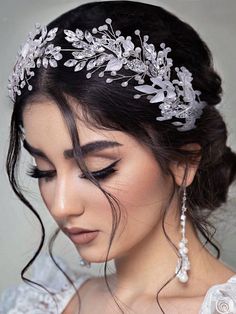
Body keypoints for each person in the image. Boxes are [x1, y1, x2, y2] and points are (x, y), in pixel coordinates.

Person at [1, 1, 236, 313]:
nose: (61, 206)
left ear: (184, 161)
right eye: (44, 171)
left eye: (97, 170)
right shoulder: (32, 304)